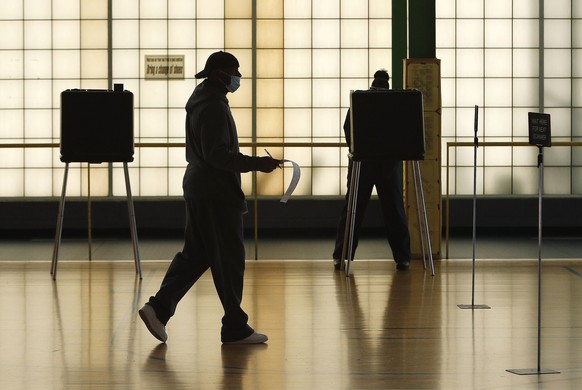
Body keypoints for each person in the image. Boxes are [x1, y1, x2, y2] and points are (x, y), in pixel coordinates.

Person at [139, 51, 281, 344]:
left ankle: (159, 308)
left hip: (199, 186)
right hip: (215, 191)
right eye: (234, 72)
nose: (237, 78)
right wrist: (258, 163)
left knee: (197, 254)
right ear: (219, 74)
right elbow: (218, 155)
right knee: (229, 258)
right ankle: (234, 326)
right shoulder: (214, 108)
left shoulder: (201, 101)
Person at [332, 69, 412, 271]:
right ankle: (403, 258)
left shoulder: (360, 100)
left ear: (372, 84)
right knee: (394, 210)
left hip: (362, 163)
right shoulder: (396, 103)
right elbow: (404, 133)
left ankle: (341, 256)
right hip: (388, 164)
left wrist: (357, 149)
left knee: (353, 210)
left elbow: (347, 129)